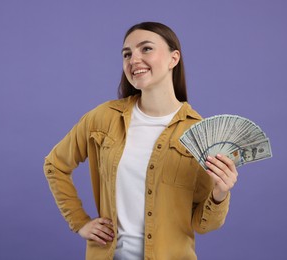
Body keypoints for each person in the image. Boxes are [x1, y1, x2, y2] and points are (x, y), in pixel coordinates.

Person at [44, 22, 238, 260]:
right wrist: (79, 221)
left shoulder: (200, 133)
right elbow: (55, 165)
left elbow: (203, 224)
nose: (133, 59)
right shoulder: (103, 118)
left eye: (146, 49)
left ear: (173, 58)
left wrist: (220, 193)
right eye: (127, 53)